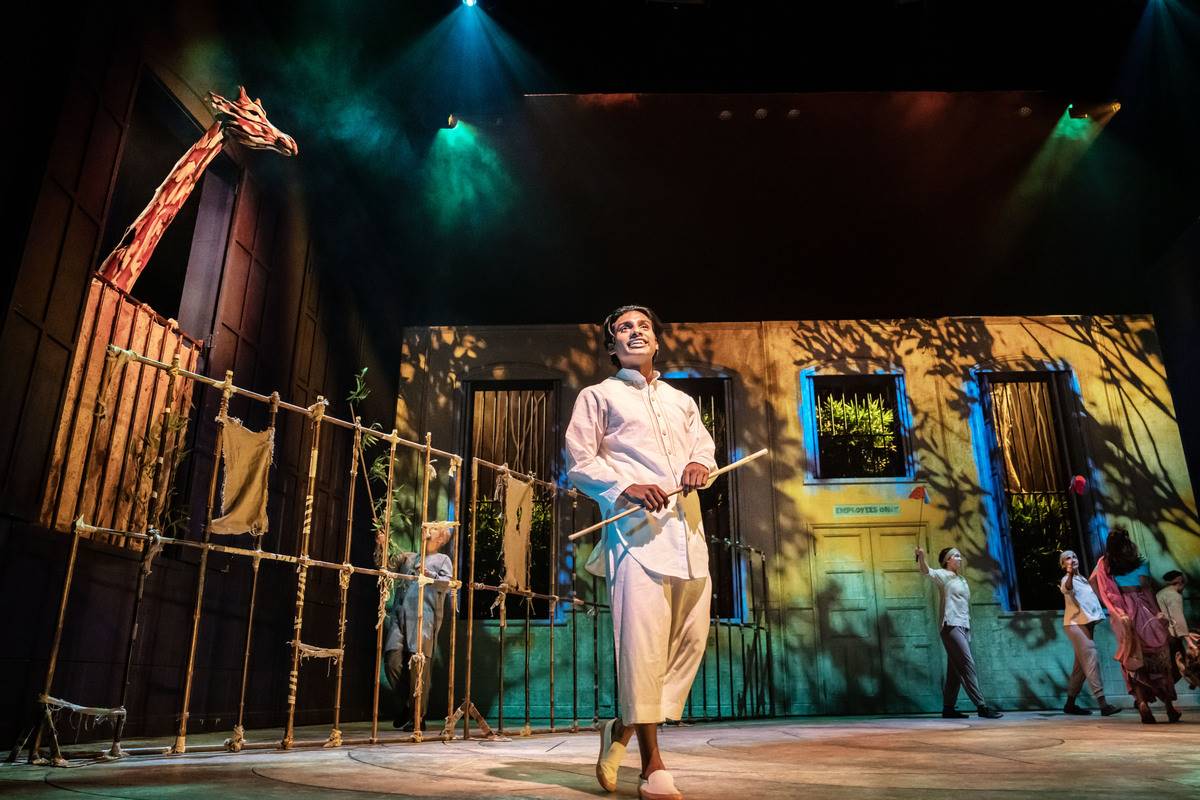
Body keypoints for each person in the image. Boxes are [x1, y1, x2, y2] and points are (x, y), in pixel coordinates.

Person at [566, 304, 717, 800]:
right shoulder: (598, 396)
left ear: (656, 341)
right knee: (642, 650)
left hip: (688, 537)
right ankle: (653, 766)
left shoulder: (682, 401)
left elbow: (704, 449)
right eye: (624, 328)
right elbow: (580, 462)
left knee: (689, 644)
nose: (635, 332)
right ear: (612, 346)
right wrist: (626, 487)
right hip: (636, 538)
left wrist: (699, 465)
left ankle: (623, 728)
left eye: (643, 326)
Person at [1089, 527, 1180, 723]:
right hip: (1143, 608)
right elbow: (1146, 589)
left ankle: (1142, 703)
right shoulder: (1140, 560)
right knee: (1159, 656)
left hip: (1122, 613)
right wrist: (1158, 613)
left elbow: (1093, 582)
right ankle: (1169, 708)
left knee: (1132, 658)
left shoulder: (1105, 564)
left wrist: (1113, 606)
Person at [915, 545, 1003, 719]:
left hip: (963, 625)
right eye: (956, 556)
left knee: (954, 671)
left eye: (959, 556)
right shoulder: (942, 575)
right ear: (947, 560)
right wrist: (921, 556)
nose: (960, 558)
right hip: (950, 625)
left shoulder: (961, 578)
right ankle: (982, 706)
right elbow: (926, 571)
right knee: (967, 664)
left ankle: (948, 708)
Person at [384, 525, 455, 731]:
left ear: (440, 539)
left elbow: (446, 585)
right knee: (392, 660)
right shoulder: (409, 557)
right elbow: (386, 565)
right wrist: (382, 544)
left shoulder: (442, 560)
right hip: (400, 614)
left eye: (433, 528)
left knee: (419, 666)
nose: (427, 529)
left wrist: (429, 574)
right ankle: (409, 704)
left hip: (424, 617)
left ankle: (417, 716)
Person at [1057, 550, 1120, 716]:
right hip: (1075, 625)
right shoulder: (1067, 579)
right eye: (1067, 558)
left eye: (1074, 556)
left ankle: (1070, 704)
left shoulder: (1083, 580)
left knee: (1080, 668)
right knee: (1091, 659)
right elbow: (1067, 588)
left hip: (1086, 625)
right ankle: (1103, 705)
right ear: (1063, 565)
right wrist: (1070, 574)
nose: (1072, 559)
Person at [1156, 570, 1190, 682]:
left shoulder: (1160, 593)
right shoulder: (1174, 595)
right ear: (1180, 581)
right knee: (1179, 667)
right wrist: (1189, 641)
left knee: (1169, 668)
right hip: (1172, 636)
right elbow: (1178, 618)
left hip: (1161, 635)